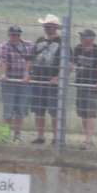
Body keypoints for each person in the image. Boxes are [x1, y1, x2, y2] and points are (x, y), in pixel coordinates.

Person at [30, 14, 63, 145]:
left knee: (54, 111)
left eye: (49, 26)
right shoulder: (39, 41)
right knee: (39, 110)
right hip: (38, 79)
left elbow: (69, 64)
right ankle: (40, 136)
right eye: (45, 26)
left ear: (55, 27)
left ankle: (56, 137)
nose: (46, 28)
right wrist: (30, 73)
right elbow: (31, 58)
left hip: (53, 83)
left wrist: (58, 77)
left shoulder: (62, 43)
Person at [72, 29, 97, 150]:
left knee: (90, 113)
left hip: (92, 86)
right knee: (83, 114)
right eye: (81, 36)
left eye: (84, 37)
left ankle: (88, 140)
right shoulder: (78, 48)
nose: (81, 38)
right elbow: (73, 64)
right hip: (80, 84)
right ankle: (88, 138)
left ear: (91, 39)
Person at [0, 26, 32, 142]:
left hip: (23, 82)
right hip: (9, 81)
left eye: (17, 35)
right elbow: (4, 61)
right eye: (12, 35)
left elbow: (30, 60)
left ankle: (17, 136)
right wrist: (3, 74)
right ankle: (4, 136)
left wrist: (27, 74)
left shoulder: (28, 45)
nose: (15, 37)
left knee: (20, 110)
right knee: (8, 110)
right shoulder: (4, 46)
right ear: (9, 35)